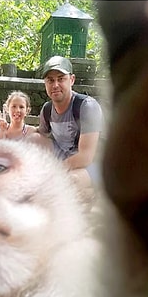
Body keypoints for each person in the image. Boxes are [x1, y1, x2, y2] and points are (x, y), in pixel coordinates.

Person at [37, 55, 104, 193]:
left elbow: (86, 157)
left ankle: (93, 193)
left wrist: (54, 171)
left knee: (69, 183)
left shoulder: (87, 106)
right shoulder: (47, 109)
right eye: (50, 80)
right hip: (65, 158)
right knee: (31, 139)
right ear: (45, 83)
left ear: (71, 80)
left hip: (93, 164)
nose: (55, 85)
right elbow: (39, 135)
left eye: (61, 79)